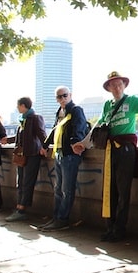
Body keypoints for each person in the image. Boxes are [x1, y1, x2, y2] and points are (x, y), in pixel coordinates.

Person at [73, 71, 138, 242]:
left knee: (123, 190)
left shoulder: (133, 101)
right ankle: (110, 227)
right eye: (112, 85)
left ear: (124, 85)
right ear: (108, 88)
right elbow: (98, 126)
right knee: (110, 190)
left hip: (125, 150)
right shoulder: (107, 105)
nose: (116, 88)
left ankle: (120, 229)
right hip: (110, 150)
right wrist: (83, 143)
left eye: (119, 84)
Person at [37, 87, 87, 231]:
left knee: (67, 189)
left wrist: (74, 142)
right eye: (59, 97)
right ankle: (57, 217)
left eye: (64, 96)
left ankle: (62, 219)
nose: (62, 99)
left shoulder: (76, 110)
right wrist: (45, 145)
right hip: (59, 153)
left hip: (70, 155)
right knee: (58, 188)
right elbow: (54, 130)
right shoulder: (60, 112)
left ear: (70, 95)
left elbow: (79, 127)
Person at [5, 97, 47, 222]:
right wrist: (7, 140)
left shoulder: (35, 118)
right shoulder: (23, 120)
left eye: (18, 105)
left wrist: (44, 147)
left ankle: (22, 209)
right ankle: (19, 207)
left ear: (23, 106)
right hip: (22, 155)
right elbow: (21, 136)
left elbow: (42, 135)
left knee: (27, 182)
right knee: (21, 183)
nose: (17, 108)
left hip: (32, 155)